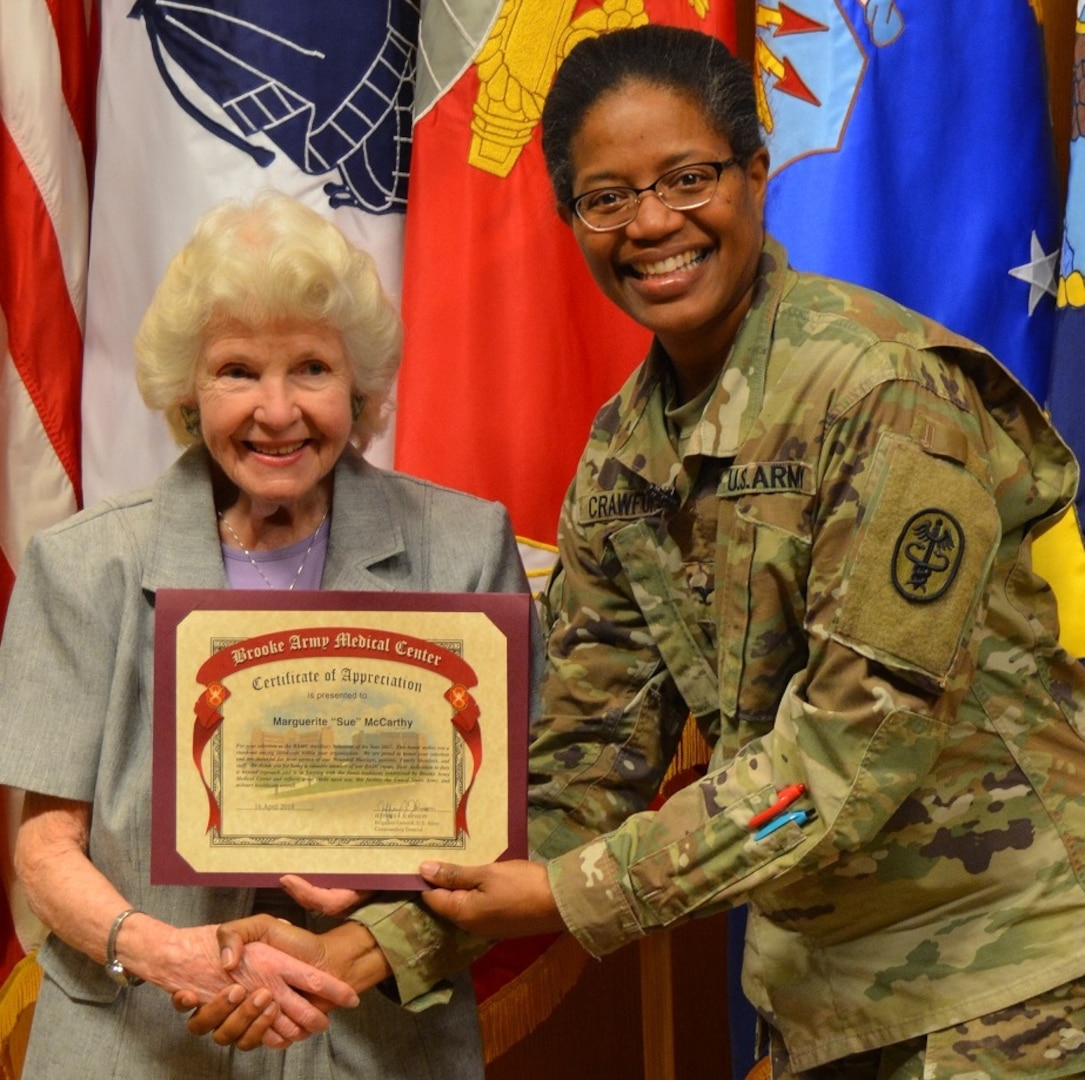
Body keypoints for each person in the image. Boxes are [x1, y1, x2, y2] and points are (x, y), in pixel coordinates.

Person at [182, 24, 1085, 1079]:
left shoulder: (885, 394)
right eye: (606, 198)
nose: (651, 223)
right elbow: (582, 772)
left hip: (1012, 981)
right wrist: (362, 946)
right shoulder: (623, 458)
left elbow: (847, 760)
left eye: (687, 178)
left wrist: (569, 893)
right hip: (817, 998)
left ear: (754, 173)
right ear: (569, 218)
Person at [0, 190, 532, 1079]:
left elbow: (504, 827)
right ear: (187, 389)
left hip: (371, 1036)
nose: (275, 411)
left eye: (312, 370)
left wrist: (381, 882)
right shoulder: (82, 564)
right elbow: (44, 846)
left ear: (359, 385)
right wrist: (168, 955)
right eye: (238, 370)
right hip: (138, 1039)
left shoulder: (465, 549)